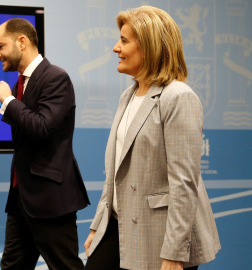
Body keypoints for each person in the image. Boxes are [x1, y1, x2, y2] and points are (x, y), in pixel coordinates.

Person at [83, 6, 220, 270]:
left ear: (149, 47)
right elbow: (115, 175)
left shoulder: (178, 97)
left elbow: (184, 183)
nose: (115, 48)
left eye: (124, 41)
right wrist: (98, 227)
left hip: (159, 236)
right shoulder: (127, 96)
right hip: (118, 225)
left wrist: (174, 252)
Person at [0, 18, 90, 270]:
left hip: (50, 200)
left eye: (1, 47)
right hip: (21, 199)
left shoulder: (56, 77)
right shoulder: (21, 82)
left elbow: (42, 128)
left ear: (21, 42)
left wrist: (9, 101)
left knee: (65, 266)